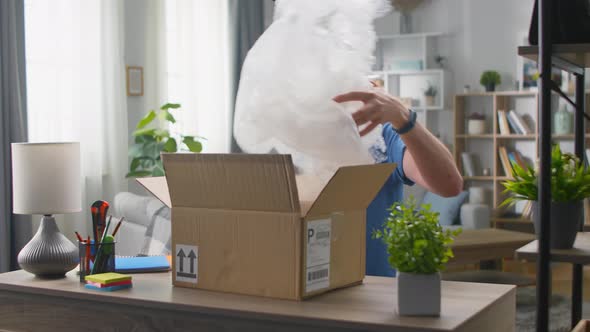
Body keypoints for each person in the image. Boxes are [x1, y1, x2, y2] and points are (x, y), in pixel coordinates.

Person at [333, 90, 463, 277]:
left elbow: (449, 184)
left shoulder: (380, 136)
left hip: (372, 290)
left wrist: (403, 118)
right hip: (290, 294)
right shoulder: (287, 137)